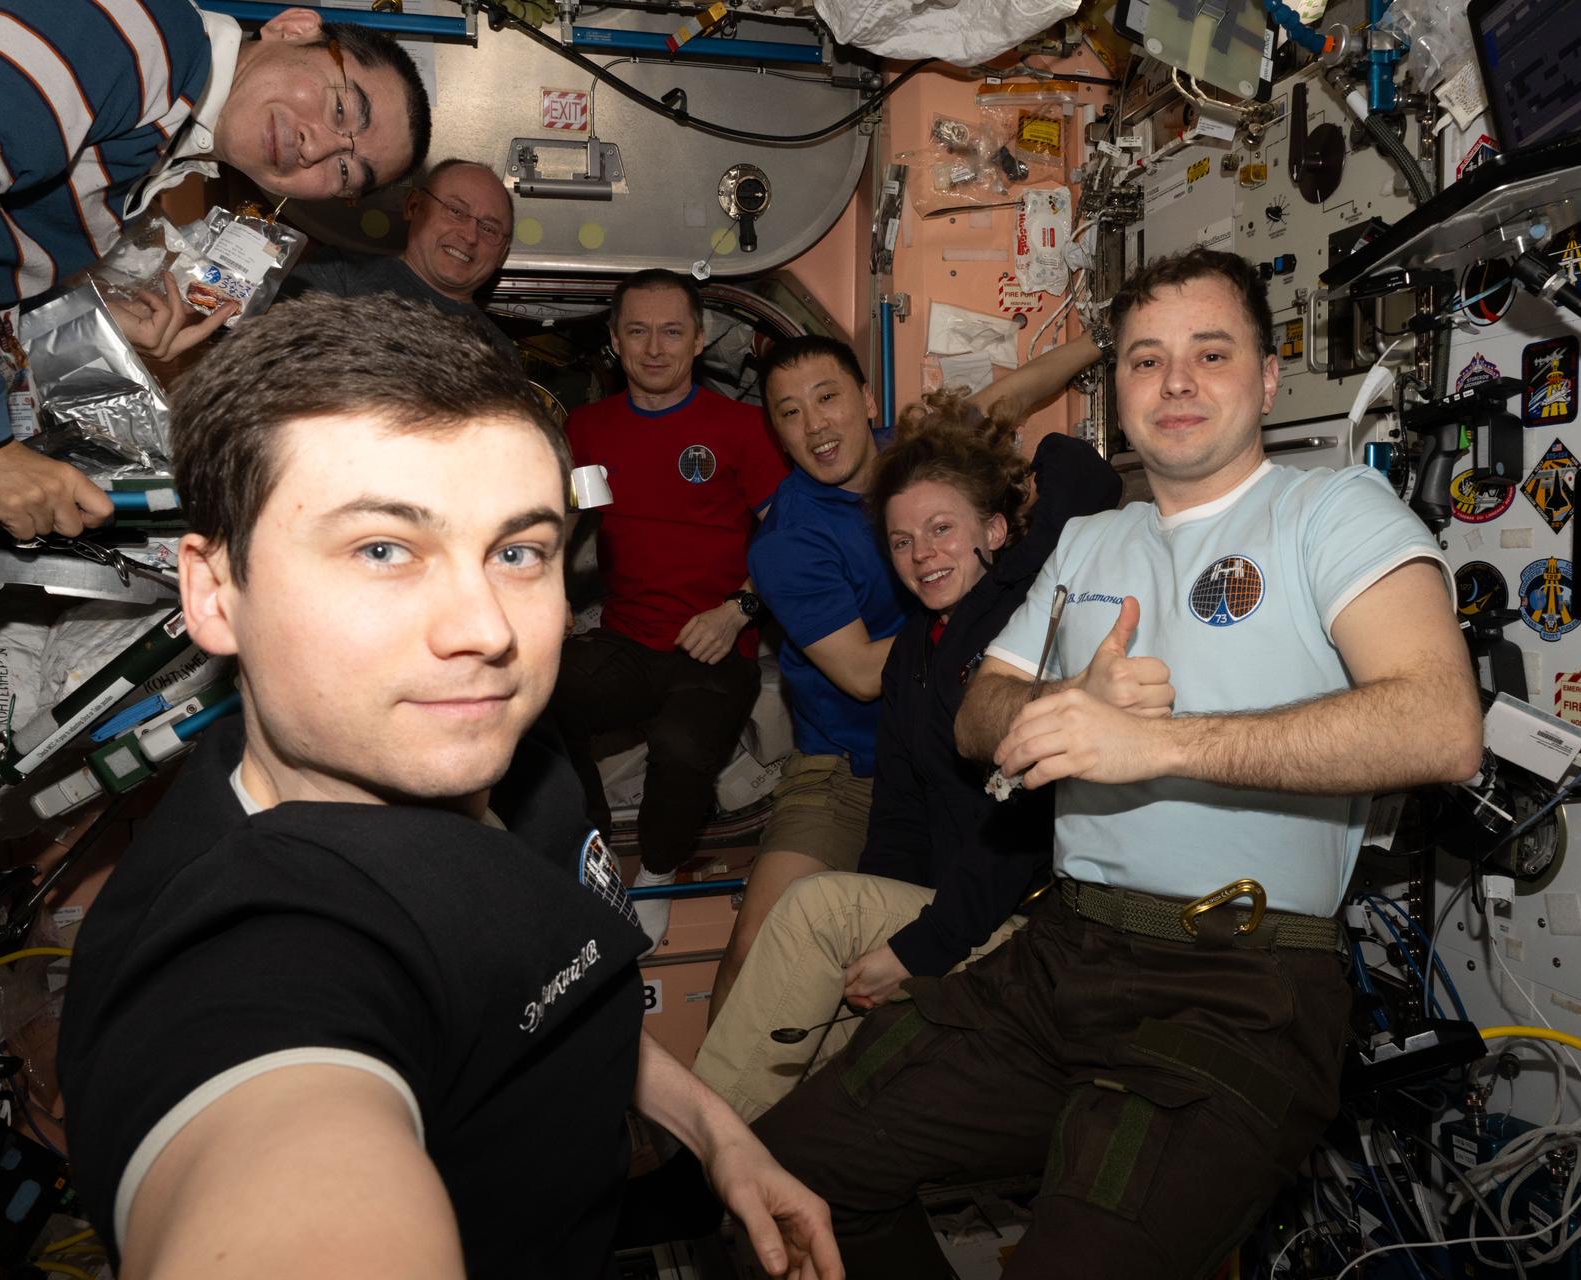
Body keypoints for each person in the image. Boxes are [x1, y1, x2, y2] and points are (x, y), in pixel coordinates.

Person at [55, 294, 839, 1280]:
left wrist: (717, 1132)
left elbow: (545, 996)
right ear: (215, 591)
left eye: (519, 551)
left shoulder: (524, 764)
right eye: (384, 548)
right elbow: (288, 1155)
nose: (485, 628)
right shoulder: (248, 950)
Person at [752, 248, 1483, 1278]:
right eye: (1146, 359)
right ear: (1118, 389)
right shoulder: (1093, 539)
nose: (1175, 381)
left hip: (1242, 984)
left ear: (1268, 379)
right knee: (786, 1176)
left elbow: (1438, 723)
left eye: (1209, 352)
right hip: (1065, 955)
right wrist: (1064, 703)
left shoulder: (1332, 515)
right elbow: (978, 708)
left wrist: (1160, 742)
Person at [694, 389, 1121, 1122]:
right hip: (949, 907)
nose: (924, 554)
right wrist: (887, 936)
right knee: (837, 948)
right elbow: (898, 815)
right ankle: (758, 1139)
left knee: (814, 909)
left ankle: (708, 1142)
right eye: (901, 542)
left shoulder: (1013, 626)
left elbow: (1078, 468)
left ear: (995, 531)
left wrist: (919, 947)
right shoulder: (908, 661)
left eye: (943, 529)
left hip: (1023, 920)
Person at [0, 2, 430, 542]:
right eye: (341, 109)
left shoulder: (162, 151)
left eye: (346, 170)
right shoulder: (149, 32)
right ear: (293, 27)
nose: (317, 147)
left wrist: (98, 315)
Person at [549, 269, 787, 952]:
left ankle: (654, 871)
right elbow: (571, 518)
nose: (655, 347)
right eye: (639, 331)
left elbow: (787, 539)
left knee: (682, 749)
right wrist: (552, 592)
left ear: (700, 339)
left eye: (672, 331)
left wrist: (739, 609)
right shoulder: (589, 427)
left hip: (715, 645)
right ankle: (589, 856)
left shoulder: (743, 428)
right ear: (617, 342)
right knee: (535, 693)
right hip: (626, 641)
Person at [279, 158, 520, 363]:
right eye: (455, 211)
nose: (470, 236)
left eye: (489, 229)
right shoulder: (337, 272)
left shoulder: (501, 354)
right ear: (413, 206)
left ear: (502, 254)